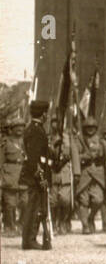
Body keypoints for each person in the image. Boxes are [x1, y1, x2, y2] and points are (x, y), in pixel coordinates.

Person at [19, 100, 53, 249]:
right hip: (36, 177)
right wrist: (41, 178)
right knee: (34, 208)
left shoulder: (34, 129)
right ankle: (29, 240)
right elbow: (34, 159)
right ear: (44, 114)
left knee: (36, 207)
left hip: (36, 176)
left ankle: (29, 239)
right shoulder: (36, 131)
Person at [73, 120, 106, 233]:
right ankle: (85, 225)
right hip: (85, 173)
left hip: (98, 173)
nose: (90, 129)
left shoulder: (101, 141)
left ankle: (91, 217)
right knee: (83, 200)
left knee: (98, 200)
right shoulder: (79, 140)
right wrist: (84, 157)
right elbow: (74, 156)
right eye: (88, 127)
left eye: (92, 127)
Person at [2, 118, 27, 235]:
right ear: (11, 129)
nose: (19, 129)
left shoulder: (27, 142)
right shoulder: (5, 143)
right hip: (10, 176)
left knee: (26, 202)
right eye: (17, 127)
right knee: (10, 204)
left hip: (25, 175)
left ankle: (21, 225)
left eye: (22, 127)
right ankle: (9, 227)